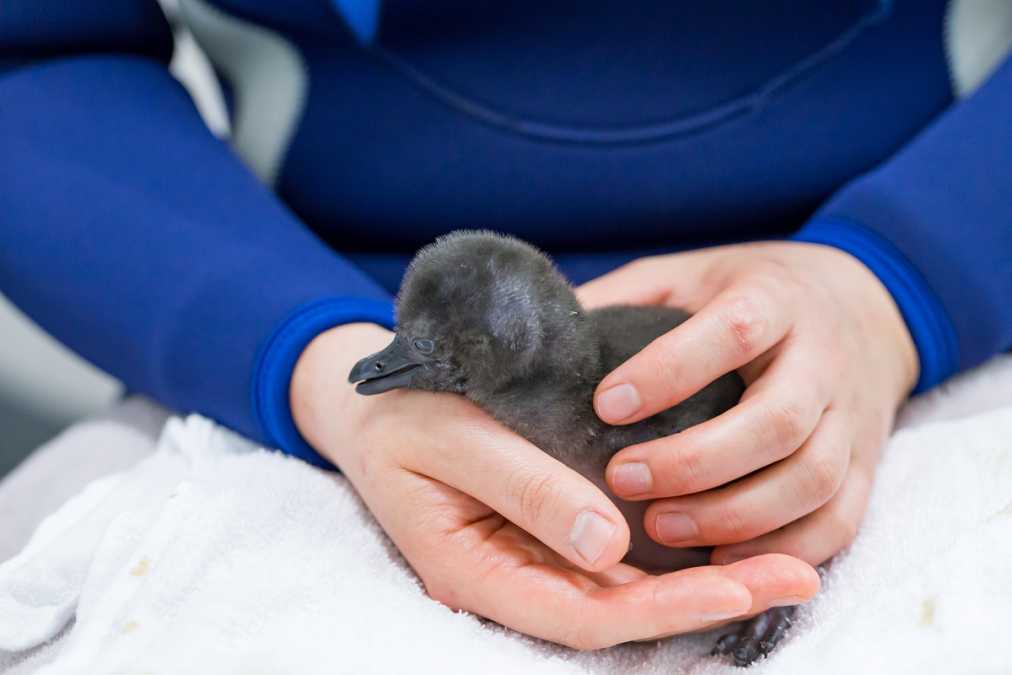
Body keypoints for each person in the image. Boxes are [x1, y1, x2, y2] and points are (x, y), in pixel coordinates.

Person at [2, 0, 1010, 648]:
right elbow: (30, 54)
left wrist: (899, 284)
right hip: (289, 316)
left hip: (948, 302)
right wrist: (302, 352)